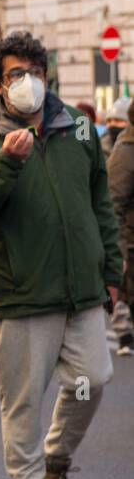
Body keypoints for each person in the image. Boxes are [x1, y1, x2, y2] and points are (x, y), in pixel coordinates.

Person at [0, 31, 121, 479]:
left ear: (47, 76)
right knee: (23, 401)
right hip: (22, 293)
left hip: (82, 288)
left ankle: (56, 461)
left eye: (35, 72)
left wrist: (111, 270)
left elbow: (102, 204)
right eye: (16, 74)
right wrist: (6, 161)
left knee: (92, 378)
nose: (28, 82)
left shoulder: (79, 127)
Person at [99, 96, 134, 357]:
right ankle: (123, 333)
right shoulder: (125, 151)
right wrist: (117, 253)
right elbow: (112, 206)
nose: (113, 125)